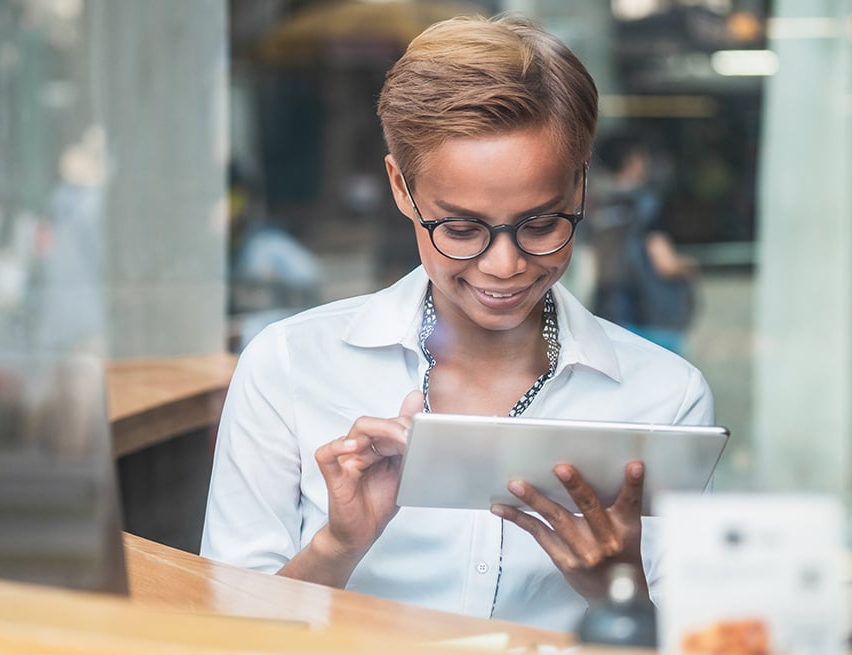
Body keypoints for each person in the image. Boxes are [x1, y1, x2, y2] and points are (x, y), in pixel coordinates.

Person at [201, 14, 714, 633]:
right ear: (400, 186)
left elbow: (699, 639)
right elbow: (224, 635)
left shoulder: (664, 397)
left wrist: (619, 597)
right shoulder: (288, 365)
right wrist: (336, 548)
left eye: (542, 224)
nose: (505, 265)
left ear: (581, 186)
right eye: (462, 229)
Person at [587, 132, 700, 355]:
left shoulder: (592, 204)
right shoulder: (646, 204)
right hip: (650, 315)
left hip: (605, 313)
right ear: (632, 161)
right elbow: (665, 264)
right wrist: (690, 268)